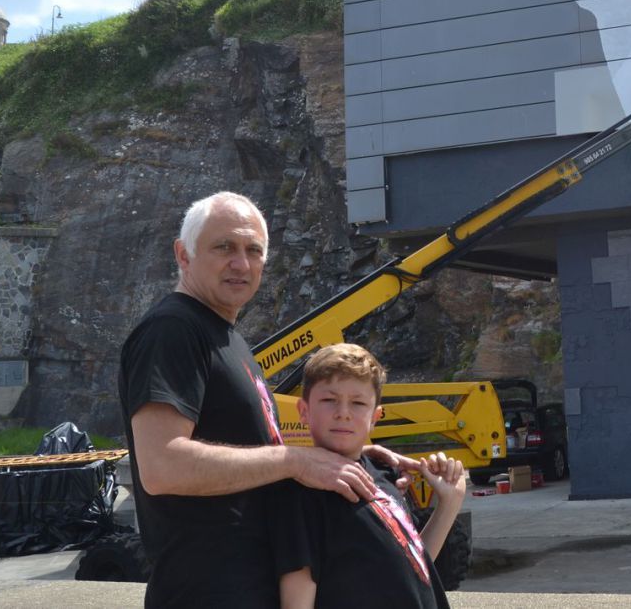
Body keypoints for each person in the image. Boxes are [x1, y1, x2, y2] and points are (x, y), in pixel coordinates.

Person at [119, 191, 421, 609]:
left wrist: (348, 458)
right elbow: (162, 466)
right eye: (224, 247)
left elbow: (245, 454)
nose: (240, 263)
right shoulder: (172, 330)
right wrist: (296, 461)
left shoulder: (226, 337)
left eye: (253, 250)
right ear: (183, 255)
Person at [273, 343, 468, 609]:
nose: (343, 412)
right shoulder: (301, 493)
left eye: (358, 403)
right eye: (329, 400)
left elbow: (412, 568)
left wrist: (448, 504)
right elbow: (297, 599)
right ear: (303, 411)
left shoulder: (382, 475)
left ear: (375, 417)